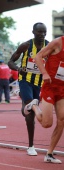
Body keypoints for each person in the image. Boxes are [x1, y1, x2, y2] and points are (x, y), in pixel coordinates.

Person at [8, 22, 49, 156]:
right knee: (31, 112)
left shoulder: (48, 46)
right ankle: (31, 146)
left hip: (38, 83)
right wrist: (19, 69)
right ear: (33, 32)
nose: (42, 35)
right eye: (39, 32)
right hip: (25, 80)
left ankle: (22, 98)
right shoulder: (26, 45)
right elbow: (10, 62)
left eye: (44, 32)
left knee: (26, 111)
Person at [24, 36, 64, 164]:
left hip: (62, 89)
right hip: (50, 87)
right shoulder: (58, 42)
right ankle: (33, 106)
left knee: (62, 119)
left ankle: (49, 154)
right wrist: (45, 73)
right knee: (47, 123)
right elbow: (37, 57)